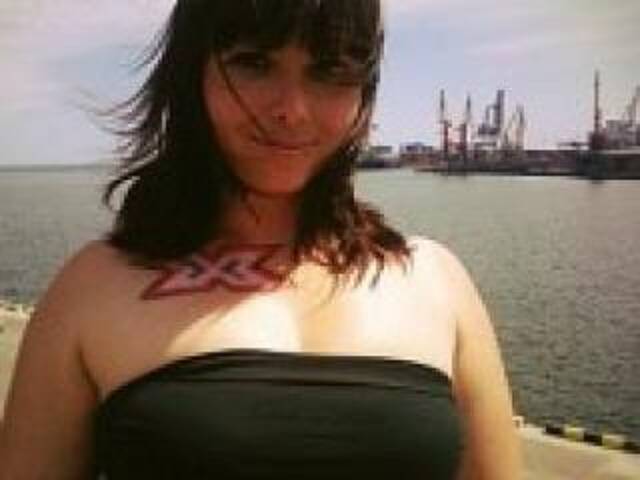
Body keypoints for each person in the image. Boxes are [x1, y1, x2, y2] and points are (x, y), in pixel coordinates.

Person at [0, 0, 521, 478]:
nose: (292, 109)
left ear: (364, 90)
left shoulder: (434, 279)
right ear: (191, 75)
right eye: (253, 62)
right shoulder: (93, 289)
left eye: (329, 70)